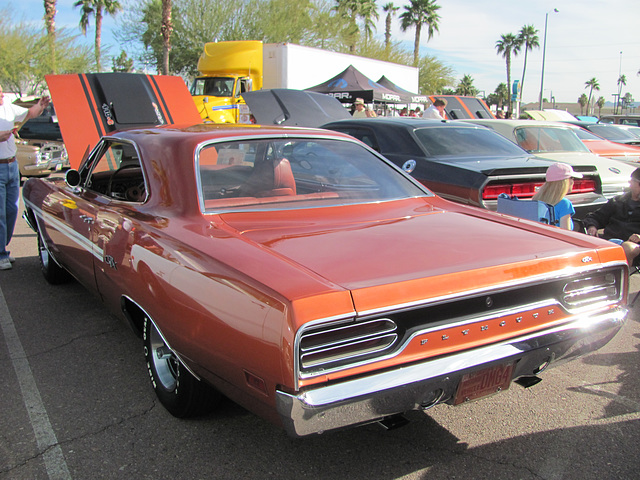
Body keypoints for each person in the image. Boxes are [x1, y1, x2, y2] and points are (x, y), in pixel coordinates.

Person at [0, 85, 50, 270]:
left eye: (2, 92)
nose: (2, 96)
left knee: (11, 210)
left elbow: (30, 113)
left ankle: (2, 247)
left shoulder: (8, 108)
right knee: (0, 213)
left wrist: (40, 105)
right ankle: (1, 254)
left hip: (12, 165)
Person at [583, 167, 640, 266]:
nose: (629, 182)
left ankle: (623, 280)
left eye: (633, 181)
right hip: (610, 241)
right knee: (580, 240)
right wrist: (592, 226)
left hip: (634, 246)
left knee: (627, 248)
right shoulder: (618, 201)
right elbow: (595, 217)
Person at [532, 162, 582, 230]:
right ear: (565, 182)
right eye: (572, 178)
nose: (573, 182)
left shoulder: (536, 199)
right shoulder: (564, 204)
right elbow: (566, 234)